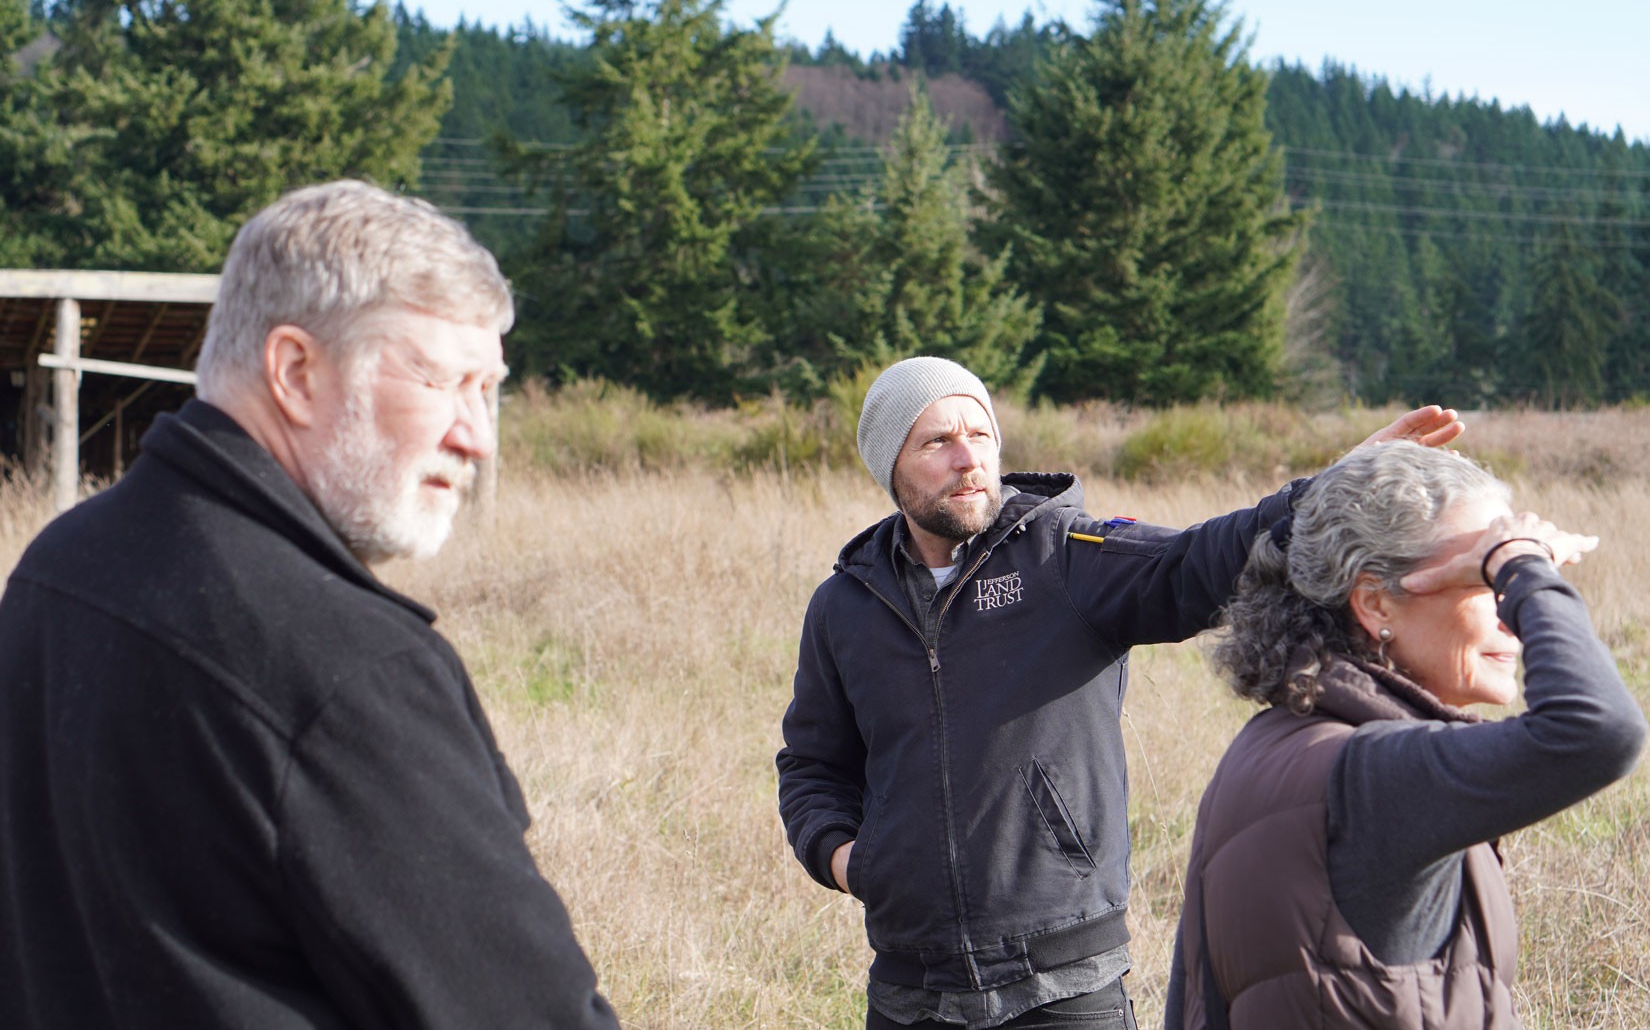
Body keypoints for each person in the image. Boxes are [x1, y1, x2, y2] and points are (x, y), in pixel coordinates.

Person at [0, 181, 619, 1028]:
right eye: (441, 381)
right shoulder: (345, 670)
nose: (477, 434)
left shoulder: (57, 565)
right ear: (294, 372)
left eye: (489, 389)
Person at [775, 355, 1464, 1030]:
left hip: (1063, 984)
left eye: (979, 434)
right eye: (938, 441)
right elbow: (812, 765)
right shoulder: (847, 606)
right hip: (910, 991)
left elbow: (1196, 563)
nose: (968, 458)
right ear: (889, 464)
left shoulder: (1064, 558)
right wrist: (847, 860)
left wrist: (1323, 495)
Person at [1166, 441, 1648, 1029]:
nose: (1509, 610)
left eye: (1501, 578)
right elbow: (1598, 729)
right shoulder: (1374, 774)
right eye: (1483, 575)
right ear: (1374, 604)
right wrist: (1527, 565)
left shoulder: (1270, 748)